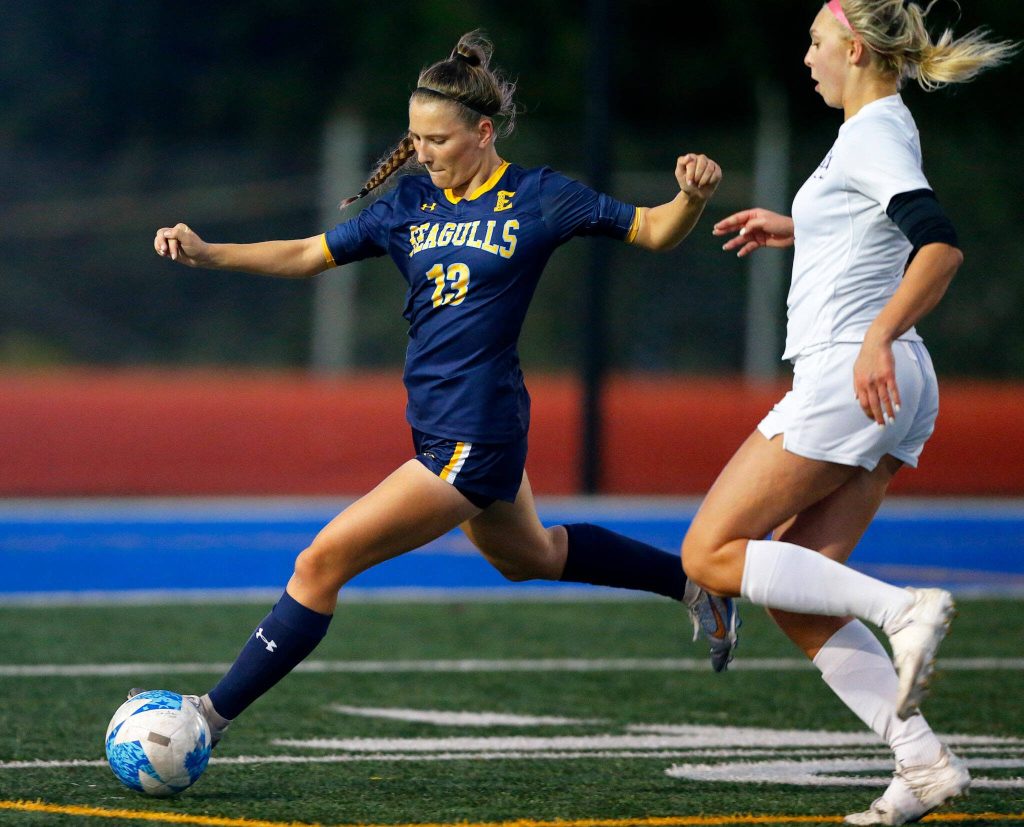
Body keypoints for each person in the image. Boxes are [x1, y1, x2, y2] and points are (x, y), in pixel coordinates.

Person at [143, 31, 736, 754]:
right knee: (532, 557)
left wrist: (691, 197)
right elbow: (307, 253)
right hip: (440, 427)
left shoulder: (541, 196)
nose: (423, 152)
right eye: (416, 137)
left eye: (439, 139)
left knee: (319, 563)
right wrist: (210, 251)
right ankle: (697, 584)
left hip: (475, 437)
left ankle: (206, 718)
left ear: (483, 133)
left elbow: (652, 231)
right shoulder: (410, 204)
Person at [683, 2, 1018, 825]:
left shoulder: (872, 132)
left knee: (708, 550)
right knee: (800, 593)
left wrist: (876, 335)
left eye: (815, 43)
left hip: (852, 371)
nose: (807, 58)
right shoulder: (876, 129)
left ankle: (904, 608)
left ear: (855, 49)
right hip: (892, 379)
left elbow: (938, 245)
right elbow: (877, 228)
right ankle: (922, 762)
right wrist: (799, 229)